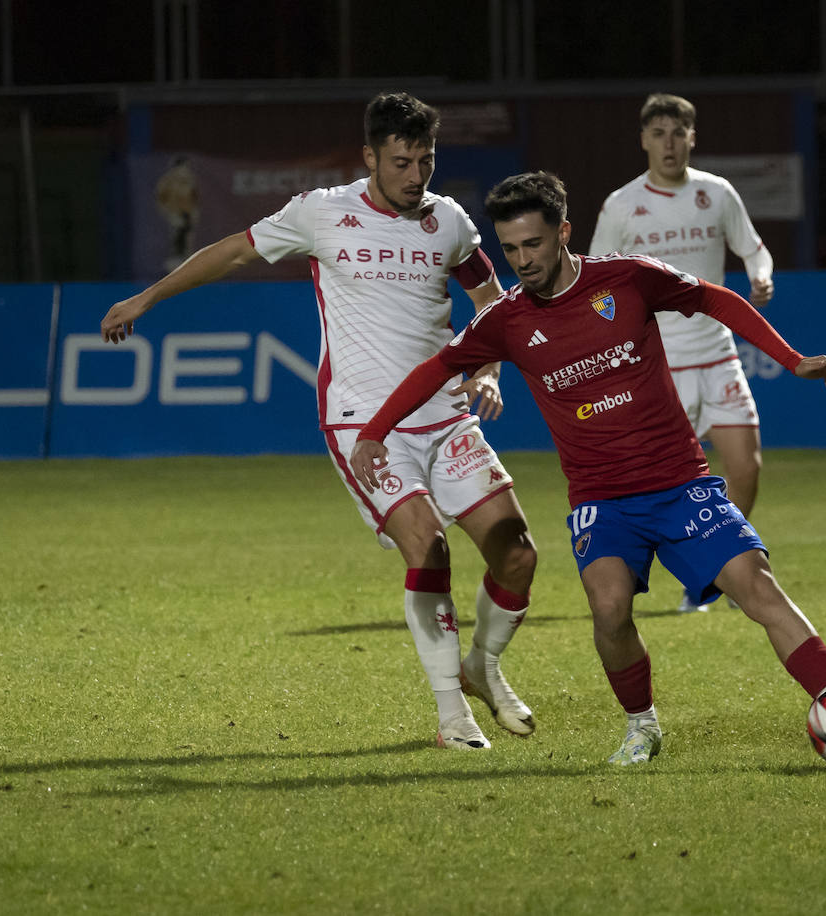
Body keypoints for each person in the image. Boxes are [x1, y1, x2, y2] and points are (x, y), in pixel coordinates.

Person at [351, 171, 826, 765]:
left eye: (534, 244)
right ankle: (642, 725)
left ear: (564, 233)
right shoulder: (507, 319)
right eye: (511, 248)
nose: (523, 260)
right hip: (602, 501)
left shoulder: (625, 278)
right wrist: (373, 433)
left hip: (681, 483)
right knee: (608, 608)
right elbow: (437, 369)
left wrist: (790, 358)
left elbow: (713, 297)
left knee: (757, 587)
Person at [100, 92, 538, 751]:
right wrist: (147, 297)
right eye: (401, 163)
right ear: (370, 158)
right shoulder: (323, 213)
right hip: (363, 422)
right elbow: (234, 252)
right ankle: (453, 714)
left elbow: (488, 300)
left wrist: (489, 370)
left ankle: (482, 662)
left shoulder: (447, 221)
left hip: (447, 419)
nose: (416, 177)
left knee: (518, 553)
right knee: (430, 547)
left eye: (427, 160)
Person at [588, 93, 772, 613]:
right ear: (644, 140)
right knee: (658, 485)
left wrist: (761, 275)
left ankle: (725, 572)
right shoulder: (622, 205)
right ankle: (674, 574)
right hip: (658, 366)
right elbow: (597, 276)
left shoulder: (717, 194)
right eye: (659, 133)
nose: (669, 143)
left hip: (717, 354)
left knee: (747, 467)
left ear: (692, 138)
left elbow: (753, 246)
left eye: (678, 132)